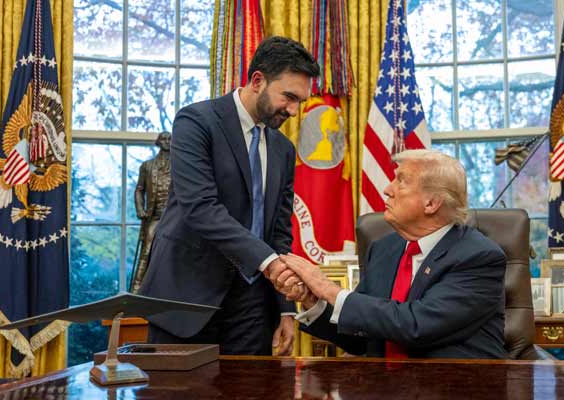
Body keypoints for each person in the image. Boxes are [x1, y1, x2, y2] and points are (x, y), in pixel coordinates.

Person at [138, 36, 320, 356]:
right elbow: (200, 208)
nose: (293, 110)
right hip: (186, 296)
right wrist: (269, 263)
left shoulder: (283, 149)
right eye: (288, 96)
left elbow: (279, 231)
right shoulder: (196, 122)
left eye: (299, 102)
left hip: (252, 305)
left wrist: (285, 309)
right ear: (257, 80)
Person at [276, 149, 507, 359]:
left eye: (401, 181)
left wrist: (328, 289)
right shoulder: (384, 248)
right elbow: (360, 337)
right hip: (385, 387)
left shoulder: (479, 257)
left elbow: (416, 325)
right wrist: (312, 299)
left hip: (451, 387)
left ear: (431, 203)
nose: (387, 189)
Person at [130, 132, 171, 293]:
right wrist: (140, 209)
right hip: (154, 216)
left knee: (172, 254)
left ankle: (168, 292)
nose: (167, 142)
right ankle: (136, 290)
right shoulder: (147, 166)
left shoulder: (180, 166)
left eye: (170, 139)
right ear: (158, 142)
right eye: (164, 139)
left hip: (174, 218)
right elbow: (139, 190)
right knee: (146, 251)